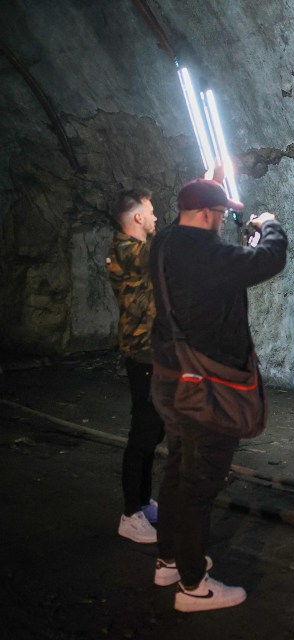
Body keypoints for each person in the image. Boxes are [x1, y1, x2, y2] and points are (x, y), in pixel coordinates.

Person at [149, 179, 287, 613]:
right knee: (199, 483)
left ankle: (169, 559)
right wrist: (270, 225)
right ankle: (193, 586)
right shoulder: (207, 253)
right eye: (222, 214)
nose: (223, 220)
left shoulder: (165, 241)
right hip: (205, 387)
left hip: (169, 378)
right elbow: (269, 259)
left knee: (177, 467)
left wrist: (209, 185)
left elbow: (206, 238)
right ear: (209, 214)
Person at [106, 188, 165, 544]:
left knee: (154, 430)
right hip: (142, 353)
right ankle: (130, 514)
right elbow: (165, 250)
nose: (156, 217)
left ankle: (142, 501)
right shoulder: (126, 250)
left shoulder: (138, 251)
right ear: (138, 218)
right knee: (143, 433)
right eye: (151, 211)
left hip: (153, 352)